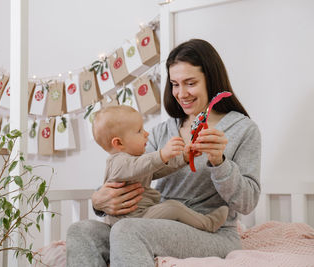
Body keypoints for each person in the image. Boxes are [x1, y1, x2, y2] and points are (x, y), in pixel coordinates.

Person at [66, 39, 261, 267]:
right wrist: (98, 200)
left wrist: (220, 163)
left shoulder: (242, 129)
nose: (181, 93)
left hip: (212, 233)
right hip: (155, 220)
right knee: (80, 231)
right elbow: (131, 171)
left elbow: (247, 203)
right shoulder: (162, 131)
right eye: (175, 84)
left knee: (127, 230)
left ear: (211, 79)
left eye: (190, 83)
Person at [92, 105, 229, 231]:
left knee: (171, 207)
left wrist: (184, 158)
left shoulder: (136, 161)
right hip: (128, 220)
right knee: (172, 207)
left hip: (141, 214)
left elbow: (156, 169)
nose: (146, 134)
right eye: (139, 131)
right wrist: (162, 154)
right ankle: (208, 224)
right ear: (119, 143)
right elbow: (143, 165)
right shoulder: (118, 163)